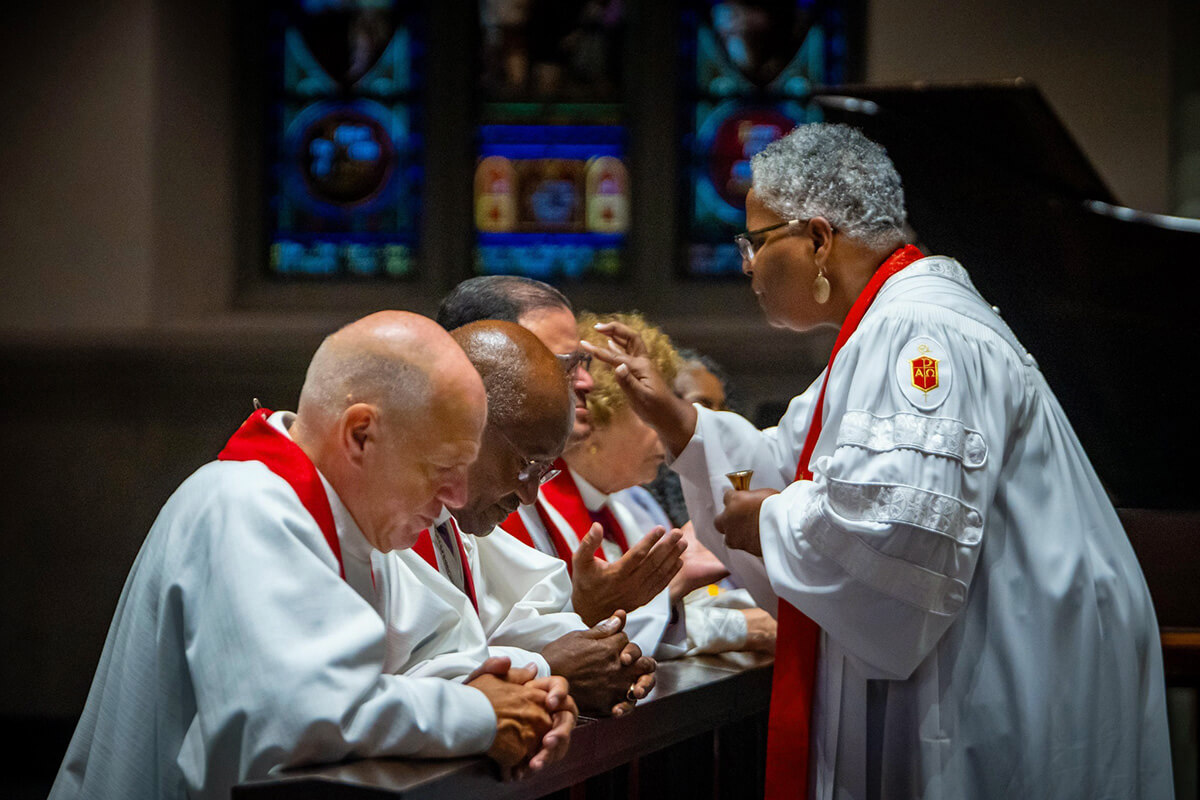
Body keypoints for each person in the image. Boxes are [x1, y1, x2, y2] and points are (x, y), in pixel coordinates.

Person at [586, 124, 1173, 799]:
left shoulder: (917, 330)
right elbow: (796, 464)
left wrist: (774, 520)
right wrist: (677, 419)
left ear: (817, 239)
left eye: (756, 240)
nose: (746, 264)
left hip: (1004, 678)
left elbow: (903, 531)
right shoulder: (890, 325)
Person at [51, 311, 577, 800]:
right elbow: (294, 716)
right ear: (361, 435)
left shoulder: (352, 531)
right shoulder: (245, 504)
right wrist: (481, 715)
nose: (457, 497)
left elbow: (430, 660)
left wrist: (531, 694)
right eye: (442, 468)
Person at [386, 319, 657, 715]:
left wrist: (604, 653)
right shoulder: (360, 516)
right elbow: (356, 697)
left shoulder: (449, 515)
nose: (530, 495)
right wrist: (549, 669)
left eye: (544, 471)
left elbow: (499, 626)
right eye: (526, 464)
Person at [506, 311, 775, 659]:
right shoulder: (521, 502)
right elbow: (533, 637)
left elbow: (660, 621)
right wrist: (675, 585)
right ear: (596, 412)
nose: (666, 433)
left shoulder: (629, 504)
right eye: (649, 413)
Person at [437, 277, 686, 639]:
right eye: (563, 364)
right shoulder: (446, 503)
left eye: (581, 362)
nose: (587, 382)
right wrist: (586, 613)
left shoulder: (495, 492)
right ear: (486, 359)